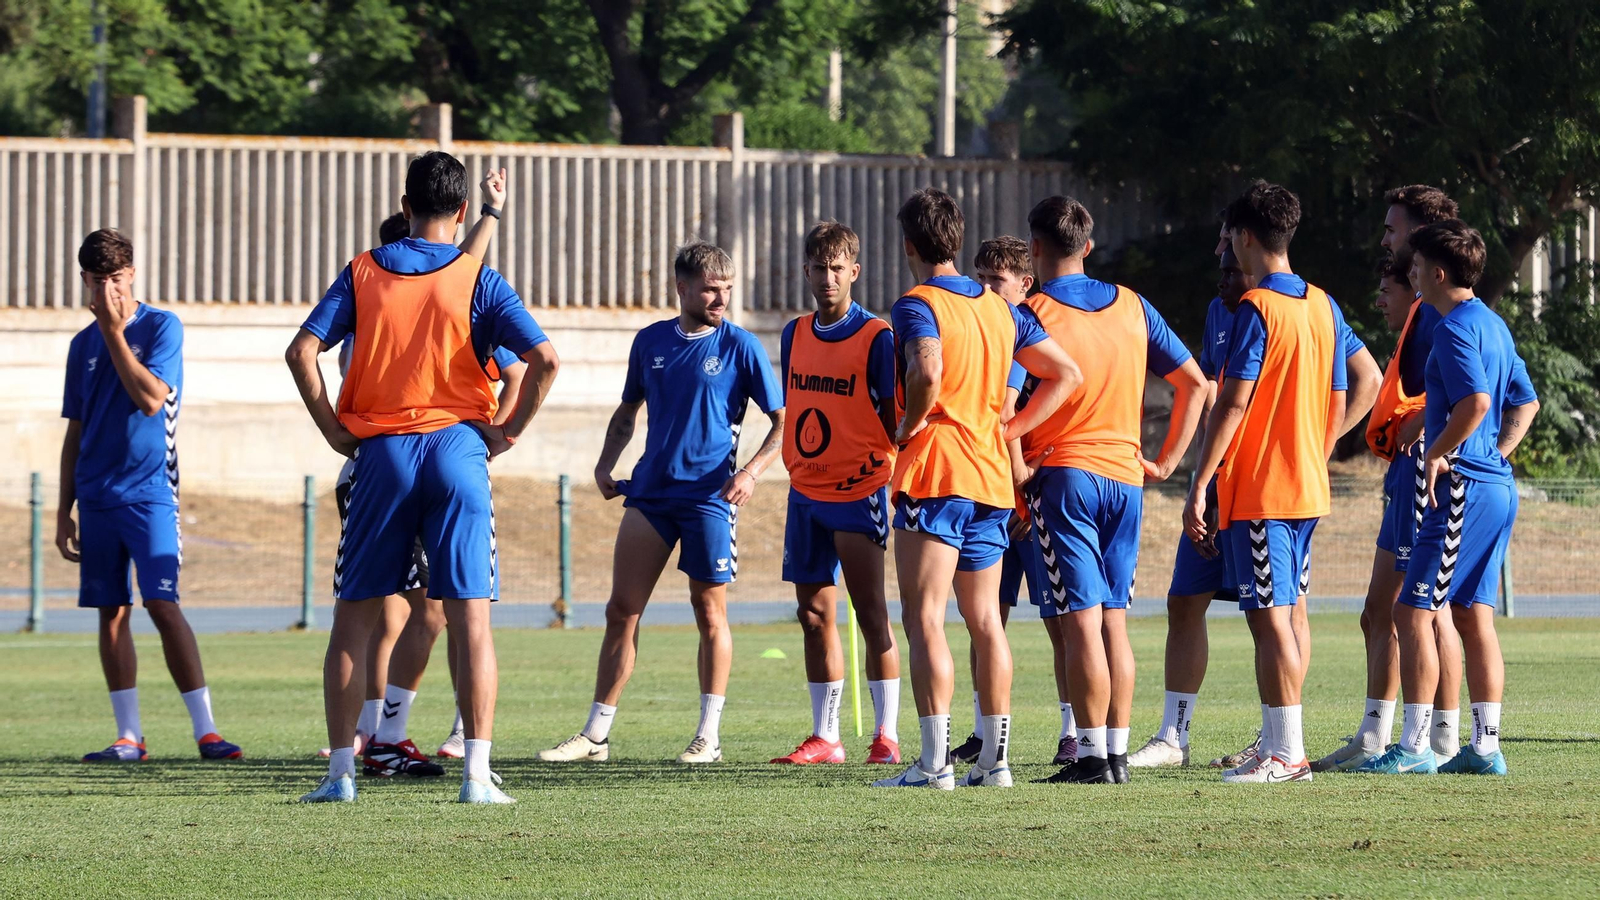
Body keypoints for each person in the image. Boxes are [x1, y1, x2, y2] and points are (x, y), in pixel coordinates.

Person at [287, 150, 560, 804]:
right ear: (462, 211)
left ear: (405, 207)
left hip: (380, 454)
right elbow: (544, 359)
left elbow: (301, 351)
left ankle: (341, 776)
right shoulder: (477, 278)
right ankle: (475, 775)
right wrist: (509, 429)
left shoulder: (362, 271)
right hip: (458, 450)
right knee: (470, 618)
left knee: (353, 619)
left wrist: (331, 427)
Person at [540, 241, 784, 765]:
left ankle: (708, 736)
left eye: (726, 289)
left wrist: (752, 473)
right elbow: (627, 412)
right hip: (650, 495)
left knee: (708, 611)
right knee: (620, 611)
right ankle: (595, 735)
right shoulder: (650, 341)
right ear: (682, 287)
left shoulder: (740, 346)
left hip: (710, 499)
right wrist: (606, 464)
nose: (720, 298)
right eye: (709, 289)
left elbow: (782, 422)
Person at [871, 188, 1081, 790]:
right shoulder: (999, 306)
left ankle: (935, 763)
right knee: (985, 619)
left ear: (908, 243)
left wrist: (908, 427)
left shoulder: (916, 303)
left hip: (937, 472)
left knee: (924, 618)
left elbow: (928, 370)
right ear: (957, 240)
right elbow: (1065, 374)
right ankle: (996, 762)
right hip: (990, 479)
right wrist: (1008, 428)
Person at [1013, 197, 1206, 785]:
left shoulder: (1031, 310)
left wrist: (1016, 469)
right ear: (1089, 247)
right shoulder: (1132, 305)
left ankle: (1093, 756)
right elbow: (1195, 384)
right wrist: (1168, 460)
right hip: (1125, 478)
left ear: (1036, 249)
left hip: (1063, 473)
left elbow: (1006, 401)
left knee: (1079, 621)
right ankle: (1116, 754)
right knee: (1114, 620)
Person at [1356, 219, 1537, 776]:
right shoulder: (1494, 325)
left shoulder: (1455, 327)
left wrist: (1440, 452)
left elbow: (1478, 402)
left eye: (1415, 264)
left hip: (1461, 488)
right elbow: (1524, 403)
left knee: (1412, 610)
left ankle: (1414, 749)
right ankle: (1483, 749)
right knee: (1472, 613)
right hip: (1493, 487)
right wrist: (1497, 457)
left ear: (1436, 272)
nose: (1408, 270)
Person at [1184, 180, 1349, 784]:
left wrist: (1200, 482)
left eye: (1230, 235)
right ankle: (1277, 744)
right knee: (1281, 612)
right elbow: (1342, 392)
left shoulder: (1258, 307)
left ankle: (1287, 754)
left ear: (1246, 236)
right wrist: (1316, 449)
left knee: (1269, 617)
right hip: (1305, 486)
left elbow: (1231, 403)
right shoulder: (1321, 303)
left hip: (1263, 490)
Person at [60, 228, 243, 764]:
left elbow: (149, 400)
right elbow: (75, 432)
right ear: (85, 282)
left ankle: (207, 731)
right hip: (95, 498)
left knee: (162, 603)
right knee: (110, 612)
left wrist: (115, 332)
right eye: (98, 282)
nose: (108, 291)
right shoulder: (80, 345)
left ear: (132, 274)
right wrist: (62, 510)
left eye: (116, 279)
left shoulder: (162, 326)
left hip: (150, 493)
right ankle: (129, 736)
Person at [1315, 185, 1466, 772]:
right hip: (1410, 470)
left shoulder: (1440, 308)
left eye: (1391, 229)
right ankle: (1417, 740)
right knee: (1400, 612)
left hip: (1423, 470)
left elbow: (1469, 385)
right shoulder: (1429, 306)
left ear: (1421, 231)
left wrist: (1426, 423)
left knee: (1407, 612)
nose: (1385, 239)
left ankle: (1409, 743)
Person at [770, 221, 903, 766]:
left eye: (837, 268)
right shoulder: (793, 333)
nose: (827, 277)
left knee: (871, 613)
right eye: (818, 268)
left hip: (857, 490)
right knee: (813, 614)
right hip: (805, 492)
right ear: (806, 271)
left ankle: (886, 735)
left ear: (854, 271)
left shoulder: (878, 338)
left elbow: (896, 417)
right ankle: (826, 737)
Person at [954, 235, 1078, 767]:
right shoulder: (983, 331)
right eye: (979, 276)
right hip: (992, 496)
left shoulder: (1020, 333)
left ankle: (1073, 730)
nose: (985, 288)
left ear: (1025, 284)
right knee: (986, 619)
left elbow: (1007, 417)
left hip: (1027, 499)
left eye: (996, 279)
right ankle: (987, 733)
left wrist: (1022, 483)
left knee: (1060, 621)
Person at [1125, 242, 1248, 770]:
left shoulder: (1289, 309)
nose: (1220, 269)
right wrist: (1199, 473)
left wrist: (1320, 445)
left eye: (1230, 262)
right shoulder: (1220, 311)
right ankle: (1174, 736)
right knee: (1183, 599)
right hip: (1216, 483)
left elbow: (1362, 380)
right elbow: (1212, 392)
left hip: (1265, 490)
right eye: (1217, 255)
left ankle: (1282, 739)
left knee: (1280, 614)